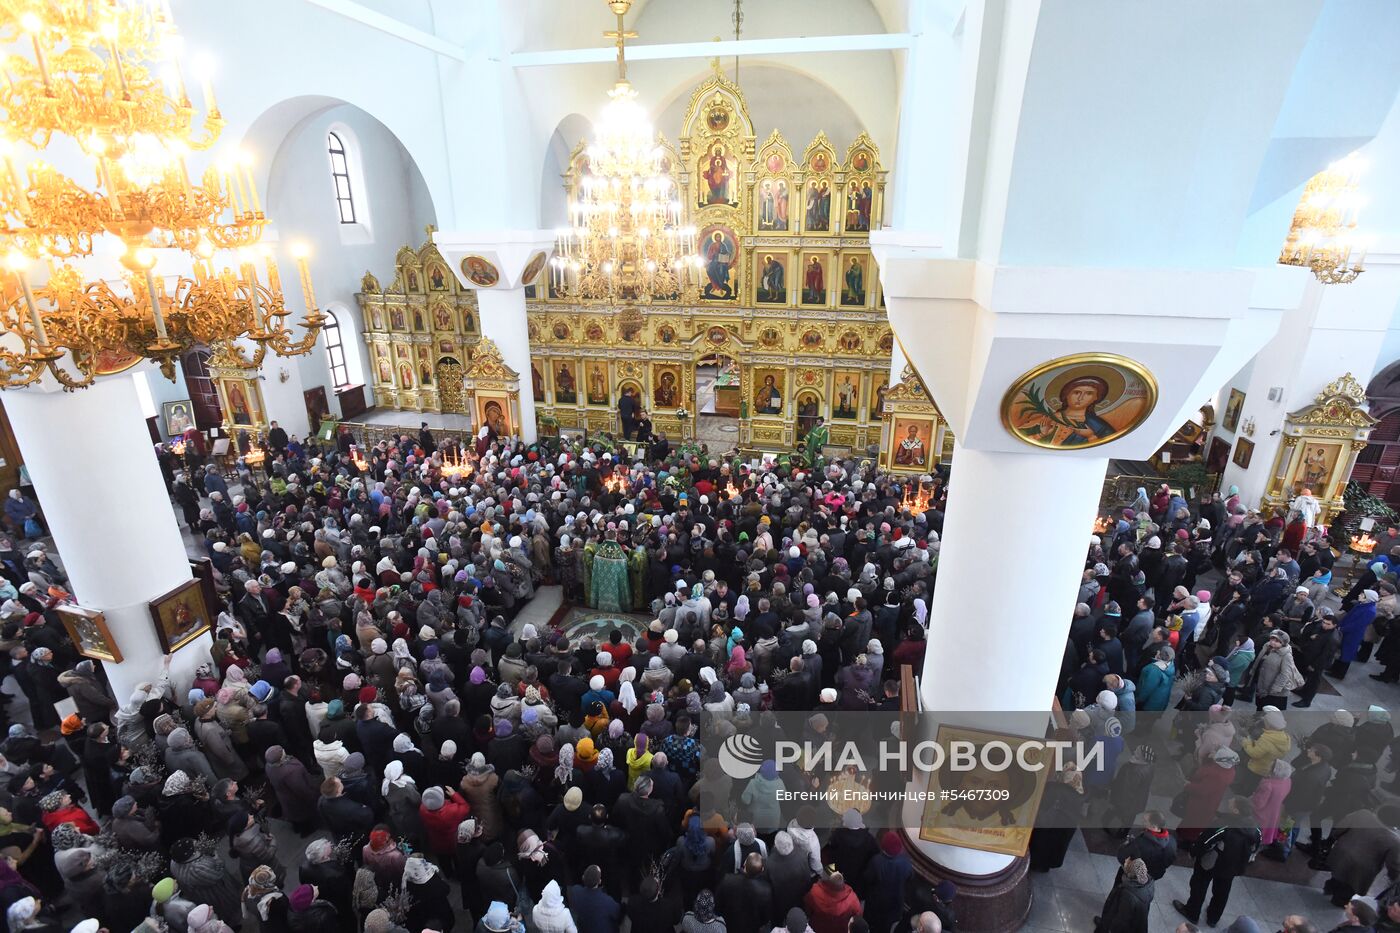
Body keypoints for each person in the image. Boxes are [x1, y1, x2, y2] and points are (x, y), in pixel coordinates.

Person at [1173, 797, 1261, 928]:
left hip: (1212, 862)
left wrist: (1193, 852)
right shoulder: (1255, 828)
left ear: (1236, 811)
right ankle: (1213, 918)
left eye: (1230, 804)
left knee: (1199, 885)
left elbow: (1205, 841)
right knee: (1222, 892)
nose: (1228, 804)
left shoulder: (1222, 826)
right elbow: (1256, 846)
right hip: (1232, 867)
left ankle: (1192, 911)